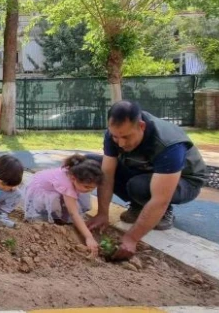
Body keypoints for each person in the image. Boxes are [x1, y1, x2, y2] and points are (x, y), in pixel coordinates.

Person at [86, 100, 207, 260]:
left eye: (126, 137)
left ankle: (163, 214)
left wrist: (131, 238)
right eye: (116, 137)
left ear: (141, 126)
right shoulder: (114, 134)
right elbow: (106, 175)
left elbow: (160, 199)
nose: (121, 143)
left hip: (184, 181)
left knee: (140, 186)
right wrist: (102, 213)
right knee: (91, 164)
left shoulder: (168, 144)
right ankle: (139, 205)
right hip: (145, 172)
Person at [24, 154, 103, 256]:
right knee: (62, 205)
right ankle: (48, 217)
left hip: (55, 187)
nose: (90, 190)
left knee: (76, 199)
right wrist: (89, 237)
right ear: (73, 178)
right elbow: (74, 213)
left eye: (93, 188)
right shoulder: (67, 184)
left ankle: (61, 217)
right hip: (40, 190)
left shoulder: (75, 174)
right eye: (87, 186)